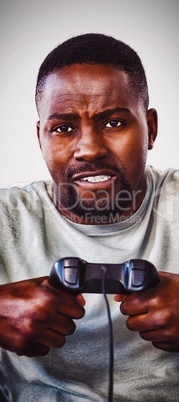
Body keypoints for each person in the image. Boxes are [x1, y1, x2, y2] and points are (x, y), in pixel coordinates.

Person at [0, 32, 179, 402]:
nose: (89, 149)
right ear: (41, 137)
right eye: (63, 128)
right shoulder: (7, 218)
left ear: (151, 129)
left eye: (113, 122)